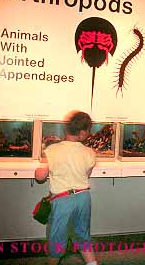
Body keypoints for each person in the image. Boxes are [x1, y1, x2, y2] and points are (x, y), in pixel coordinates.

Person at [35, 110, 98, 265]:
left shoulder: (51, 150)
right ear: (83, 133)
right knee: (83, 235)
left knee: (57, 238)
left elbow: (40, 177)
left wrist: (39, 170)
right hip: (83, 197)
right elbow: (86, 174)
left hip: (62, 200)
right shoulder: (90, 152)